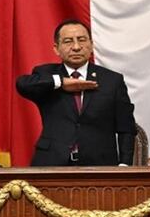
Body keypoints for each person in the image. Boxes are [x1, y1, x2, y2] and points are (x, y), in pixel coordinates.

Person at [17, 19, 136, 166]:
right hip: (52, 163)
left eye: (82, 40)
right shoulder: (45, 74)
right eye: (68, 41)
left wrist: (124, 165)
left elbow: (126, 128)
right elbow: (22, 84)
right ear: (56, 48)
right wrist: (61, 82)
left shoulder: (112, 80)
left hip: (100, 165)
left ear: (91, 45)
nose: (76, 47)